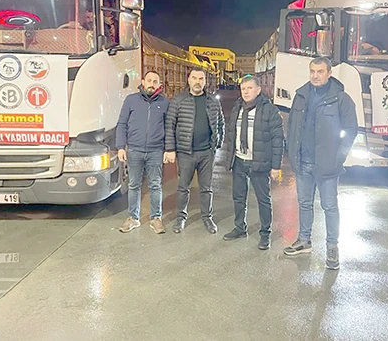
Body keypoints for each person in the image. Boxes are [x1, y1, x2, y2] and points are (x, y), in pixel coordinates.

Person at [283, 57, 357, 270]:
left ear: (329, 73)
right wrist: (292, 152)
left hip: (327, 165)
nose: (315, 76)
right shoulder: (301, 95)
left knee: (330, 207)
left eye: (320, 72)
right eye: (312, 71)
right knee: (304, 203)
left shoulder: (341, 98)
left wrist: (338, 157)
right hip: (303, 162)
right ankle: (304, 240)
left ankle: (332, 247)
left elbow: (351, 130)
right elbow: (292, 125)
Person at [222, 75, 284, 250]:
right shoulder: (237, 108)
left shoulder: (269, 110)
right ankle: (239, 228)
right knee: (238, 197)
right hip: (239, 160)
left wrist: (276, 166)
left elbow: (278, 139)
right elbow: (231, 134)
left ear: (258, 90)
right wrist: (230, 156)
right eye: (243, 89)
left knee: (263, 200)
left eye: (250, 88)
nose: (246, 92)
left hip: (259, 162)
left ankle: (265, 234)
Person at [164, 69, 224, 234]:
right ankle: (180, 218)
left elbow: (220, 122)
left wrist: (217, 143)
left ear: (205, 81)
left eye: (201, 79)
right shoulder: (179, 100)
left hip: (207, 153)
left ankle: (207, 217)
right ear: (189, 80)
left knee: (206, 188)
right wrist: (170, 149)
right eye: (194, 78)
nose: (198, 82)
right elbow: (170, 125)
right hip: (186, 153)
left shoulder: (212, 101)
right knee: (183, 187)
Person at [117, 70, 170, 234]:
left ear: (159, 84)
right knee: (134, 185)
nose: (151, 84)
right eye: (149, 80)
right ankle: (133, 218)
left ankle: (156, 218)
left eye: (155, 81)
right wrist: (121, 146)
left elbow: (169, 128)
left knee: (155, 185)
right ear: (143, 82)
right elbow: (122, 123)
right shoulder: (131, 100)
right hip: (134, 150)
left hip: (156, 151)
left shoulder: (164, 103)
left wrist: (168, 149)